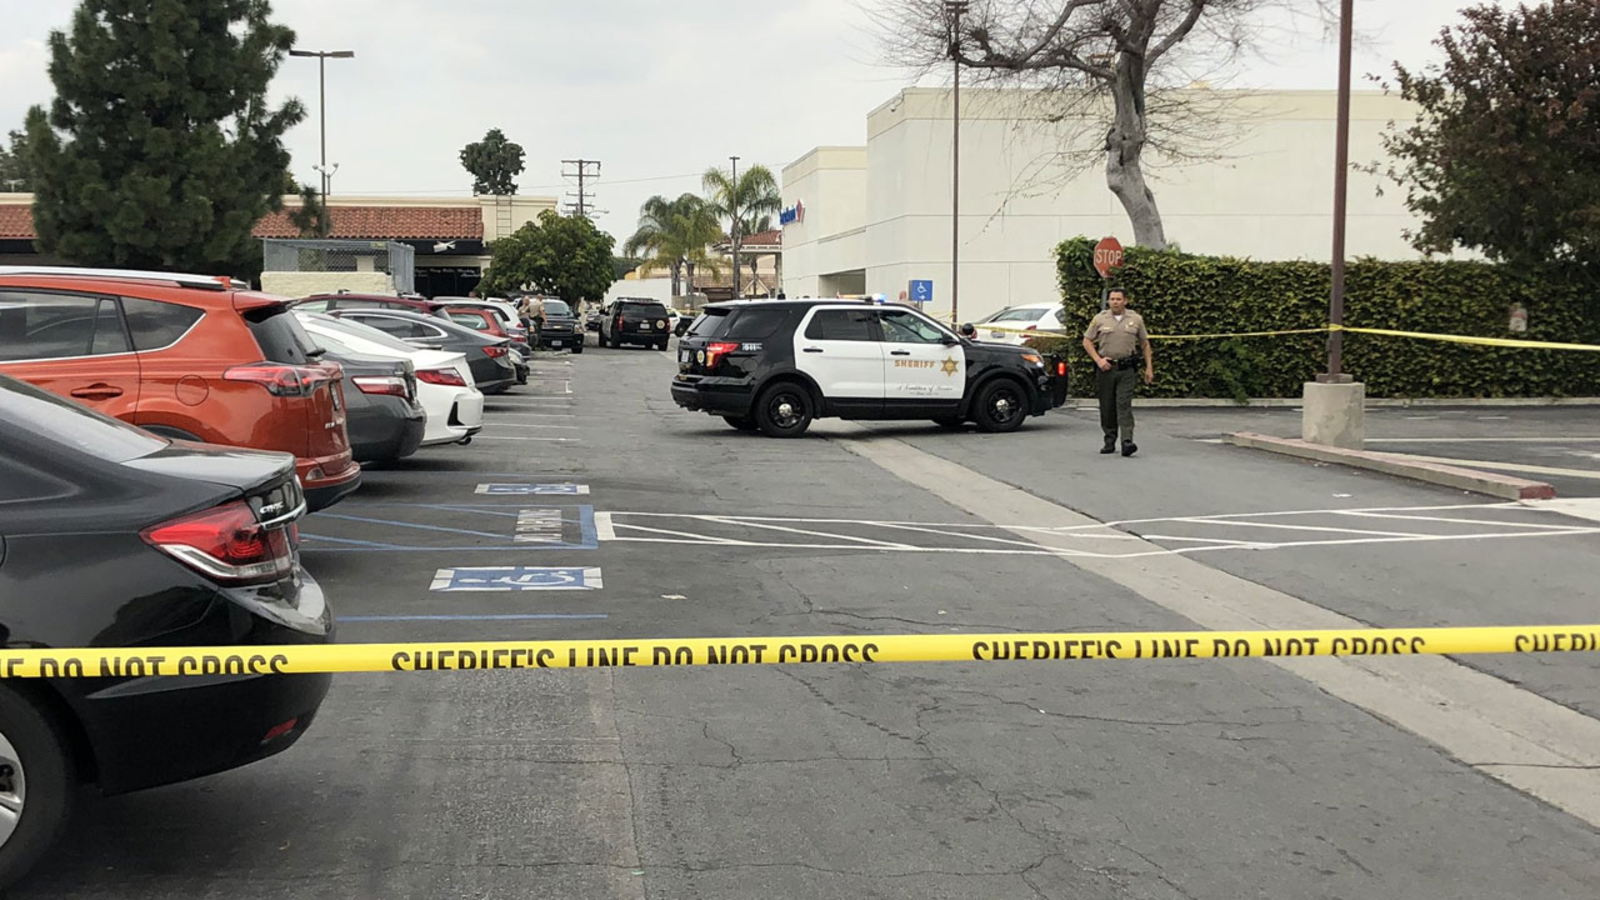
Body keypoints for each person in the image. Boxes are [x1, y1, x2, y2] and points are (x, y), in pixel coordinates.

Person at [1082, 287, 1153, 457]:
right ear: (1108, 301)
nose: (1115, 302)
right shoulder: (1100, 319)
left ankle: (1127, 441)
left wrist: (1149, 367)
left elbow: (1144, 343)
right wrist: (1098, 360)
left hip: (1126, 369)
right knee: (1107, 406)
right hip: (1107, 368)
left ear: (1125, 301)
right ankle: (1109, 439)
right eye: (1112, 299)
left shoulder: (1135, 319)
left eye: (1118, 299)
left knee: (1124, 404)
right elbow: (1087, 341)